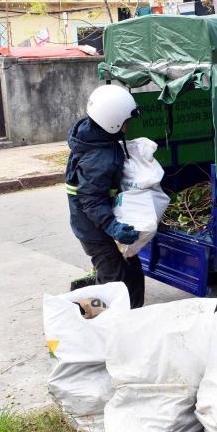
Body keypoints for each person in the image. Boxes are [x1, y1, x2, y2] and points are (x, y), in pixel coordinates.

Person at [65, 84, 145, 308]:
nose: (128, 126)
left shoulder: (96, 137)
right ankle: (91, 321)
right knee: (113, 280)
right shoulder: (99, 157)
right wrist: (113, 227)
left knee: (132, 271)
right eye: (126, 122)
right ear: (113, 122)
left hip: (96, 222)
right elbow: (91, 200)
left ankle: (133, 317)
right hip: (93, 228)